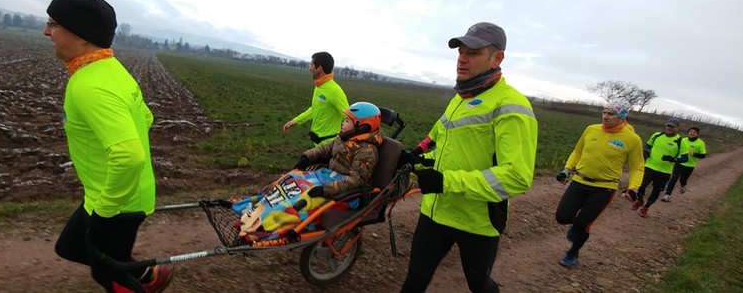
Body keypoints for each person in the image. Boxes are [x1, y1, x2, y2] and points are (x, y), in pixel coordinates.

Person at [44, 0, 173, 292]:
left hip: (116, 202)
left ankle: (141, 278)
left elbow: (129, 156)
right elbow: (147, 118)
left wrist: (104, 212)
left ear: (81, 34)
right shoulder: (111, 70)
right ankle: (147, 274)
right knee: (69, 247)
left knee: (107, 272)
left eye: (53, 24)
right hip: (111, 194)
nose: (46, 31)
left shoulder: (90, 85)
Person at [401, 22, 538, 293]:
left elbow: (516, 177)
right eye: (461, 51)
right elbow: (440, 130)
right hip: (435, 212)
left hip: (478, 222)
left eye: (473, 53)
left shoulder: (512, 106)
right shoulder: (462, 96)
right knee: (414, 280)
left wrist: (445, 182)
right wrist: (417, 151)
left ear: (497, 58)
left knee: (479, 285)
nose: (462, 59)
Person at [234, 102, 384, 243]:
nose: (343, 124)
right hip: (326, 177)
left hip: (342, 191)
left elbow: (357, 181)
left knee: (300, 200)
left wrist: (325, 190)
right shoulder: (345, 138)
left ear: (361, 126)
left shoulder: (367, 152)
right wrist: (307, 157)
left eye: (347, 121)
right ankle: (253, 215)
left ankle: (263, 230)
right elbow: (325, 149)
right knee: (291, 180)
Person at [554, 99, 645, 268]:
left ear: (622, 116)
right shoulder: (591, 129)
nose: (605, 116)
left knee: (583, 224)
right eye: (604, 112)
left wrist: (634, 187)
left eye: (610, 114)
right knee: (562, 217)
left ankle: (573, 253)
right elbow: (578, 151)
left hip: (604, 188)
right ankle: (575, 228)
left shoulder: (632, 139)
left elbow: (637, 167)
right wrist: (567, 169)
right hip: (579, 181)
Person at [283, 52, 350, 146]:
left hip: (329, 145)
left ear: (319, 68)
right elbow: (315, 108)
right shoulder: (319, 86)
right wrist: (296, 121)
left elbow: (348, 117)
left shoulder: (335, 90)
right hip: (317, 142)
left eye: (311, 65)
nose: (309, 68)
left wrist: (344, 140)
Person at [630, 118, 685, 217]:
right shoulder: (657, 135)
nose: (669, 128)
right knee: (641, 185)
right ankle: (640, 200)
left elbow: (684, 158)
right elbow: (647, 145)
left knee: (656, 191)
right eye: (668, 126)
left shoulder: (680, 141)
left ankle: (646, 208)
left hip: (664, 171)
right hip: (649, 166)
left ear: (677, 128)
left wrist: (673, 159)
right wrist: (646, 151)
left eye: (672, 127)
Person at [661, 126, 707, 201]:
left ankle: (683, 185)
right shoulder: (683, 140)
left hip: (690, 165)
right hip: (680, 162)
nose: (692, 133)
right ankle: (667, 195)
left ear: (697, 134)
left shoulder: (700, 143)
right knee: (674, 178)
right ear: (688, 132)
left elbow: (703, 155)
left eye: (694, 132)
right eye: (691, 131)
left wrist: (694, 154)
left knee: (683, 179)